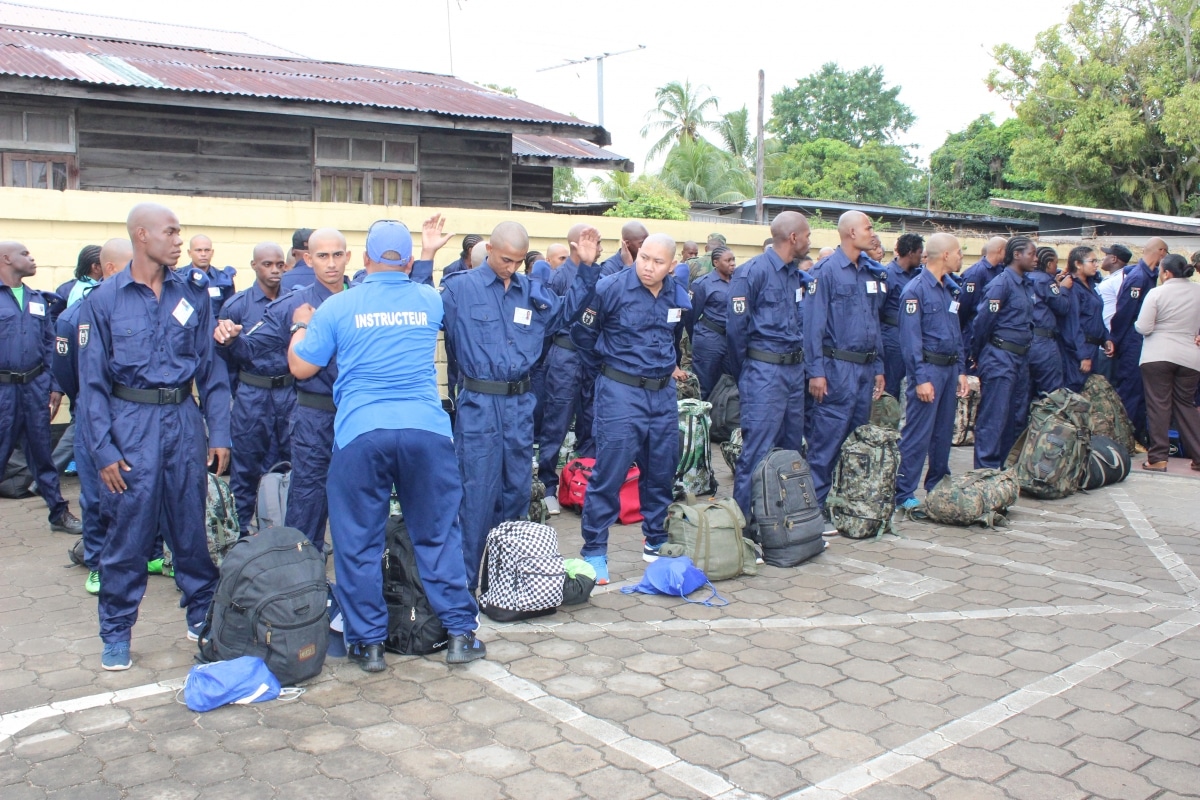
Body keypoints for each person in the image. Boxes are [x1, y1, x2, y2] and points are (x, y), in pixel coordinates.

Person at [288, 219, 485, 671]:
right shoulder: (428, 300)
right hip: (426, 432)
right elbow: (412, 294)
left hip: (362, 433)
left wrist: (300, 327)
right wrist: (429, 256)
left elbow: (300, 368)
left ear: (361, 260)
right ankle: (459, 634)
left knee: (358, 540)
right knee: (437, 535)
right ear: (411, 262)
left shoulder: (339, 306)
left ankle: (369, 644)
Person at [79, 203, 232, 671]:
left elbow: (212, 371)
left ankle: (202, 614)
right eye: (171, 232)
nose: (179, 240)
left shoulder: (194, 294)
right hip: (130, 426)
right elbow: (91, 387)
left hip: (183, 421)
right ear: (142, 236)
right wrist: (103, 450)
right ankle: (117, 631)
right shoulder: (104, 300)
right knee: (128, 534)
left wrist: (218, 433)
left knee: (190, 530)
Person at [442, 222, 600, 592]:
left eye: (516, 261)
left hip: (518, 403)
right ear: (490, 251)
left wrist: (585, 266)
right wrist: (427, 258)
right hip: (480, 402)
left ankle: (506, 573)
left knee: (515, 491)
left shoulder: (532, 292)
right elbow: (419, 312)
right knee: (477, 490)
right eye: (504, 259)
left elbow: (564, 315)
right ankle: (467, 580)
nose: (510, 267)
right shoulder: (460, 289)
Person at [573, 233, 691, 583]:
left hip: (662, 393)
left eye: (658, 262)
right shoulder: (610, 288)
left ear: (672, 265)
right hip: (621, 392)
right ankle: (594, 550)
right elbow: (583, 336)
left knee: (661, 470)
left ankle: (655, 540)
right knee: (609, 472)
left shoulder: (678, 295)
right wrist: (610, 372)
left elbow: (676, 336)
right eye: (644, 258)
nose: (649, 267)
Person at [222, 228, 348, 550]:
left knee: (358, 501)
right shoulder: (293, 305)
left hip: (357, 414)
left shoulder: (362, 300)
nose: (331, 264)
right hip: (314, 415)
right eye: (322, 256)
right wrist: (232, 336)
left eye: (337, 255)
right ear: (308, 259)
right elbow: (250, 350)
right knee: (306, 502)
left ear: (348, 257)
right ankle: (302, 580)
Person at [52, 238, 136, 593]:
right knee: (96, 495)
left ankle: (144, 554)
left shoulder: (143, 308)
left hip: (134, 415)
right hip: (93, 417)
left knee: (140, 489)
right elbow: (70, 377)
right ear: (112, 268)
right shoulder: (74, 317)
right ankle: (98, 561)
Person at [726, 213, 811, 518]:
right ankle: (745, 524)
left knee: (790, 450)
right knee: (757, 451)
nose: (809, 241)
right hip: (764, 372)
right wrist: (747, 373)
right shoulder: (753, 273)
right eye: (807, 235)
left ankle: (785, 520)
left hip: (792, 372)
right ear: (793, 238)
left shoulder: (793, 274)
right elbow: (735, 331)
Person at [804, 211, 887, 508]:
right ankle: (814, 508)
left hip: (865, 369)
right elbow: (812, 325)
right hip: (836, 369)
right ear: (851, 232)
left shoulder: (870, 271)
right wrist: (815, 371)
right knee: (826, 441)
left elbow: (873, 323)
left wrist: (878, 367)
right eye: (869, 227)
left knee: (856, 441)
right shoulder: (824, 271)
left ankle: (846, 505)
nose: (873, 232)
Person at [0, 241, 82, 536]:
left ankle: (58, 513)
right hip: (3, 391)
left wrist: (55, 385)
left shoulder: (38, 299)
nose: (32, 258)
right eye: (25, 254)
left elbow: (50, 346)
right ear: (6, 259)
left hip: (34, 389)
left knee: (42, 456)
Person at [213, 243, 293, 535]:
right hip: (252, 395)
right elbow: (224, 358)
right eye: (267, 264)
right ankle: (240, 536)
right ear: (254, 266)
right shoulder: (237, 305)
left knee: (292, 465)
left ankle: (290, 534)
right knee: (246, 468)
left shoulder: (294, 302)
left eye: (279, 264)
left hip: (289, 393)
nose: (274, 270)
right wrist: (239, 394)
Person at [894, 233, 969, 511]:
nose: (962, 257)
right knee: (918, 432)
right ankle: (903, 492)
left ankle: (937, 483)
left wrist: (961, 369)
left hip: (949, 370)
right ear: (946, 255)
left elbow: (956, 333)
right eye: (959, 252)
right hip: (928, 369)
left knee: (942, 431)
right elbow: (910, 341)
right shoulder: (915, 290)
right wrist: (920, 379)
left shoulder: (950, 289)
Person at [535, 224, 602, 515]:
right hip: (564, 356)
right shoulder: (559, 277)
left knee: (591, 419)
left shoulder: (600, 272)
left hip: (592, 356)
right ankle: (548, 485)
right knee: (557, 421)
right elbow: (549, 322)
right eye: (593, 242)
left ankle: (582, 478)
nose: (598, 247)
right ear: (577, 245)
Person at [971, 237, 1038, 469]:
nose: (1036, 258)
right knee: (994, 417)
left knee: (1015, 418)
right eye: (1032, 254)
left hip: (1020, 358)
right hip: (1000, 356)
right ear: (1017, 254)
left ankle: (1004, 470)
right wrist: (978, 354)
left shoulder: (1026, 284)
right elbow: (982, 322)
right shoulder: (1002, 284)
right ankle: (985, 472)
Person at [1135, 253, 1200, 471]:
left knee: (1158, 405)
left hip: (1157, 356)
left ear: (1167, 272)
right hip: (1191, 357)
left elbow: (1144, 327)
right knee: (1186, 405)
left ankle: (1158, 458)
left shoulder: (1157, 293)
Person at [1110, 238, 1168, 443]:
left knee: (1141, 391)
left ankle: (1137, 436)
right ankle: (1124, 438)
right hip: (1132, 340)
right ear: (1161, 252)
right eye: (1166, 254)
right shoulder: (1138, 277)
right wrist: (1115, 341)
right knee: (1130, 390)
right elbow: (1124, 312)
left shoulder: (1151, 276)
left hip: (1143, 341)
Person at [686, 246, 737, 399]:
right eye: (728, 260)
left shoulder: (739, 281)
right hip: (710, 338)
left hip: (731, 340)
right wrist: (696, 337)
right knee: (705, 384)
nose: (732, 263)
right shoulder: (703, 284)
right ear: (716, 263)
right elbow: (690, 316)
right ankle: (702, 420)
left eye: (733, 260)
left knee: (729, 383)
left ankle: (722, 419)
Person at [879, 233, 925, 398]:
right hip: (892, 337)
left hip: (911, 337)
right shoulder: (888, 275)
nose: (921, 256)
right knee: (891, 387)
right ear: (911, 252)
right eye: (920, 252)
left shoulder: (918, 275)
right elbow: (878, 308)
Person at [1026, 247, 1072, 400]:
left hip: (1025, 340)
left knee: (1025, 392)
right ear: (1049, 263)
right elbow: (1062, 307)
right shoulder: (1046, 280)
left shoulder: (1024, 277)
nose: (1056, 267)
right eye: (1056, 263)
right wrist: (1063, 289)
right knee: (1052, 392)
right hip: (1043, 342)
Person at [1063, 246, 1109, 393]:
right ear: (1078, 264)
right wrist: (1083, 355)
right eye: (1092, 261)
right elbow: (1073, 324)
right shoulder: (1073, 287)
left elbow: (1096, 317)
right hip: (1080, 349)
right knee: (1076, 392)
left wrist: (1106, 338)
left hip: (1094, 347)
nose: (1096, 265)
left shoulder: (1091, 285)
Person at [956, 236, 1008, 354]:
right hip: (973, 329)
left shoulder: (1001, 270)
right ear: (1000, 250)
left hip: (991, 331)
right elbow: (963, 306)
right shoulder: (976, 272)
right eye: (1007, 250)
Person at [1094, 243, 1133, 381]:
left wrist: (1113, 337)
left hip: (1110, 339)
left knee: (1105, 384)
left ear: (1114, 259)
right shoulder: (1112, 277)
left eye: (1106, 255)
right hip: (1104, 338)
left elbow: (1123, 307)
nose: (1102, 260)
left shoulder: (1120, 278)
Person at [179, 234, 237, 317]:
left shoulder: (223, 279)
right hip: (185, 328)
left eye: (207, 250)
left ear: (212, 252)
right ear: (189, 253)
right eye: (198, 250)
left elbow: (229, 311)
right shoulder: (178, 277)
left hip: (213, 328)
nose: (203, 254)